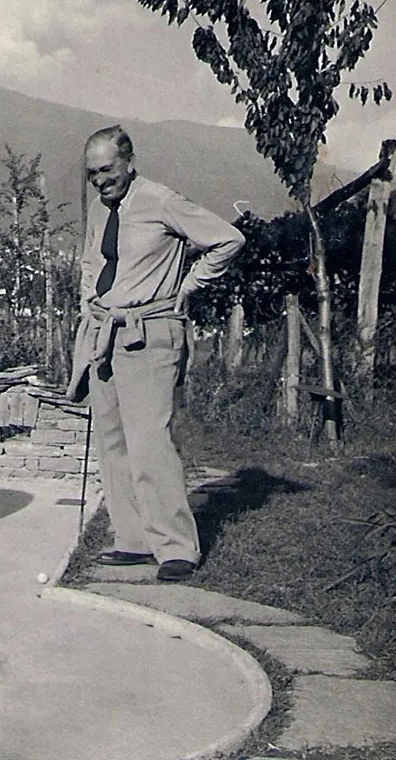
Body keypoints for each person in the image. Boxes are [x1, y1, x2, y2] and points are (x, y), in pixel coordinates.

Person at [67, 125, 245, 583]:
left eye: (107, 170)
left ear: (128, 161)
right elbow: (93, 260)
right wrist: (90, 298)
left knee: (149, 442)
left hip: (150, 333)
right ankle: (133, 540)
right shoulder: (98, 209)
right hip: (104, 333)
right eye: (92, 174)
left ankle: (175, 548)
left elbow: (228, 240)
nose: (100, 181)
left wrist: (188, 286)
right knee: (112, 441)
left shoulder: (160, 200)